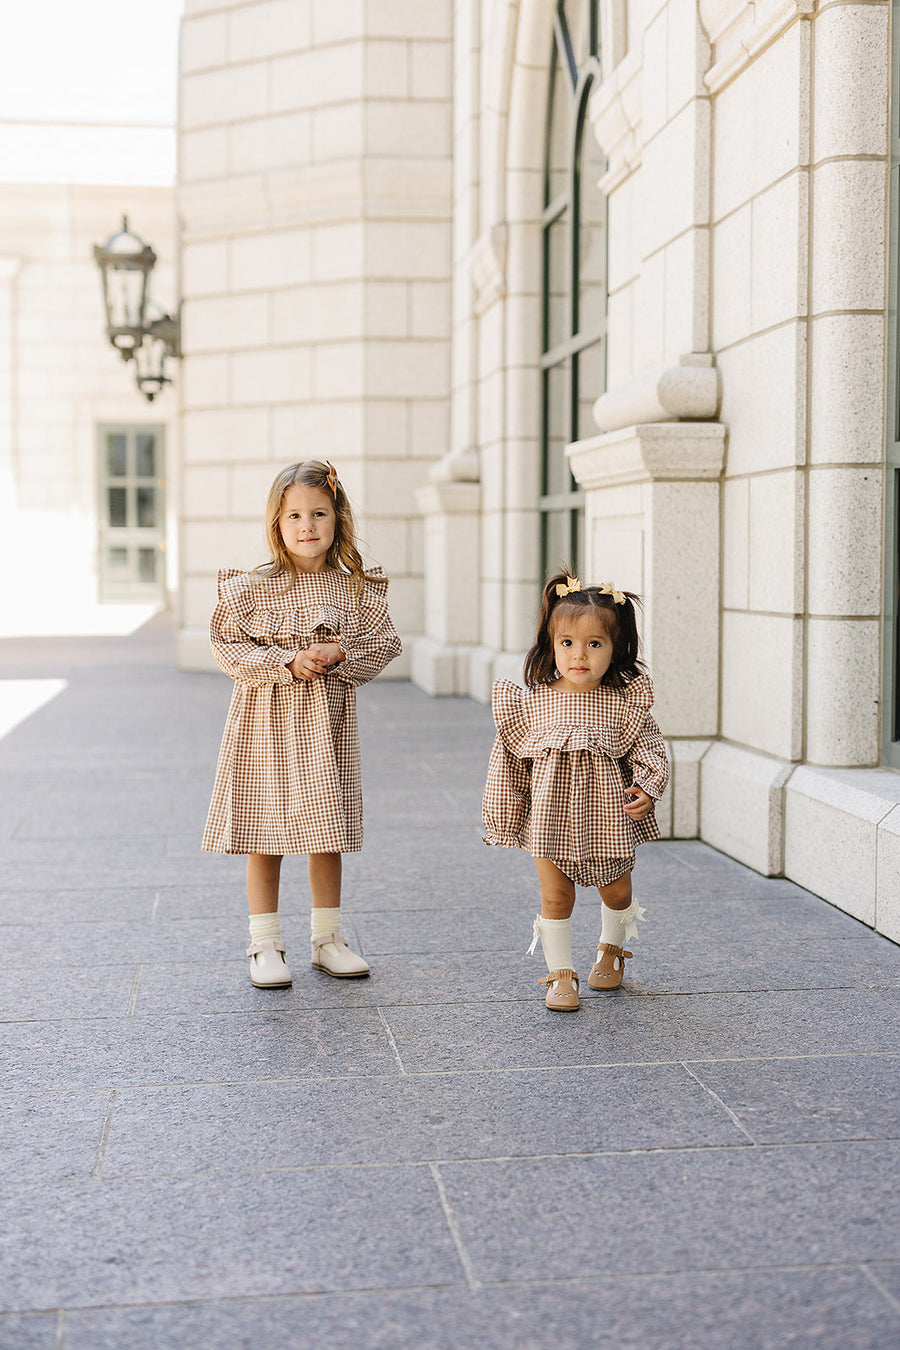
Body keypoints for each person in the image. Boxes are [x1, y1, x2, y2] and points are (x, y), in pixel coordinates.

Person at [202, 460, 401, 988]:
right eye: (294, 516)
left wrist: (340, 651)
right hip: (264, 724)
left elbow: (385, 644)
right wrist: (285, 663)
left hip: (323, 726)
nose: (306, 525)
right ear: (277, 523)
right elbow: (226, 646)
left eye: (318, 513)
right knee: (263, 834)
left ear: (338, 519)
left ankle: (327, 938)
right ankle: (264, 943)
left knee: (324, 832)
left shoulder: (356, 592)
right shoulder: (251, 588)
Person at [482, 570, 669, 1011]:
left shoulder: (624, 703)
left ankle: (611, 948)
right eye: (567, 643)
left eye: (594, 644)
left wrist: (647, 786)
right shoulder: (530, 703)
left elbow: (651, 749)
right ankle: (560, 975)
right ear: (551, 646)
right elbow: (507, 764)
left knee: (617, 893)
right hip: (548, 821)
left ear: (616, 649)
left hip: (608, 819)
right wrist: (507, 815)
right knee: (555, 896)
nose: (579, 654)